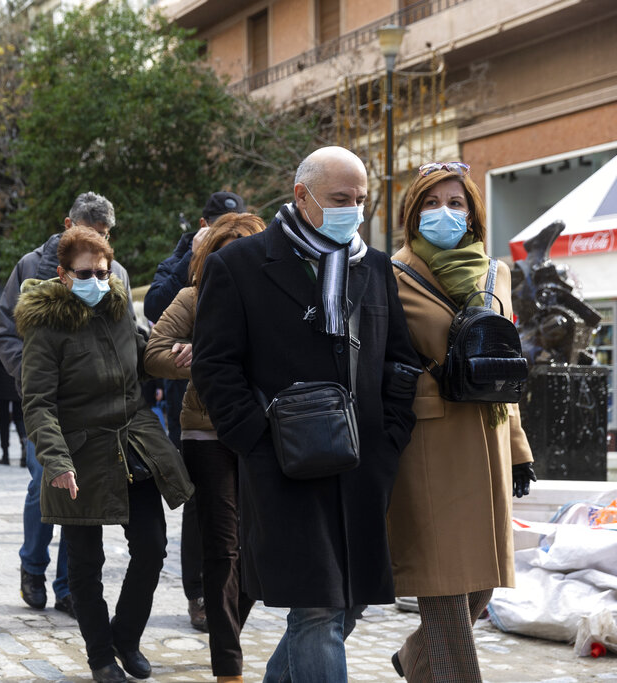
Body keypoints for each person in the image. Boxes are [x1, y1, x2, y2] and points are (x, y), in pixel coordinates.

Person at [192, 146, 421, 683]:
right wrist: (256, 442)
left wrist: (391, 437)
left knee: (346, 606)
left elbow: (401, 361)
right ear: (302, 196)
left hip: (363, 468)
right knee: (316, 608)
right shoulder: (240, 265)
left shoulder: (374, 266)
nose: (354, 210)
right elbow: (215, 367)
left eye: (362, 199)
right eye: (341, 199)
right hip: (286, 468)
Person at [17, 227, 194, 683]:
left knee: (152, 547)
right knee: (85, 564)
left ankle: (126, 636)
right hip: (78, 454)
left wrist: (174, 360)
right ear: (61, 274)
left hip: (132, 444)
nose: (97, 279)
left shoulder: (118, 310)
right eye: (85, 272)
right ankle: (100, 657)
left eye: (103, 271)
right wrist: (55, 460)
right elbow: (38, 402)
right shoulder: (45, 324)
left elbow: (141, 358)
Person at [386, 162, 536, 682]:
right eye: (430, 203)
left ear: (472, 213)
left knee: (480, 587)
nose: (443, 213)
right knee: (445, 587)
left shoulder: (496, 273)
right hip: (428, 443)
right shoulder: (390, 272)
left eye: (455, 203)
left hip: (488, 439)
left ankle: (413, 658)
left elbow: (502, 364)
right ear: (411, 213)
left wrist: (517, 449)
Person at [0, 192, 134, 619]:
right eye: (91, 232)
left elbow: (130, 333)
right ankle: (33, 566)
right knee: (44, 483)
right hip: (48, 405)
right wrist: (34, 374)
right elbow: (3, 331)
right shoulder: (31, 267)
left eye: (106, 235)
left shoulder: (117, 272)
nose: (99, 242)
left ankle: (69, 586)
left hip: (99, 411)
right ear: (68, 223)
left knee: (84, 492)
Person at [145, 212, 264, 683]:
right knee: (223, 548)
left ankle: (227, 626)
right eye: (223, 252)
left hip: (264, 432)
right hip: (206, 432)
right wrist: (192, 357)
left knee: (257, 546)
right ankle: (227, 665)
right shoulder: (193, 298)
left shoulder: (273, 301)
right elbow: (154, 353)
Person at [0, 353, 26, 466]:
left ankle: (5, 454)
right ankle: (24, 443)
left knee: (3, 421)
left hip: (2, 381)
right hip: (18, 381)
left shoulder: (2, 337)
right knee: (19, 418)